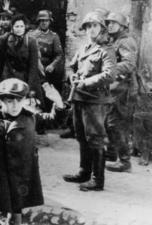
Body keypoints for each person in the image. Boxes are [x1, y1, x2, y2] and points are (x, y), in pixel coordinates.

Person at [0, 78, 62, 225]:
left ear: (24, 100)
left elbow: (55, 121)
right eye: (9, 101)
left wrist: (58, 103)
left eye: (19, 101)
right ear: (0, 102)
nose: (14, 105)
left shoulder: (30, 117)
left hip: (19, 178)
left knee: (15, 219)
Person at [63, 11, 115, 191]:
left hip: (95, 100)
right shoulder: (84, 48)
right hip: (79, 98)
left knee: (95, 138)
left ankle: (97, 179)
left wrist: (85, 82)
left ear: (101, 28)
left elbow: (110, 75)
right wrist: (72, 77)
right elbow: (71, 66)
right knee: (81, 136)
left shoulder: (106, 50)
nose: (91, 30)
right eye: (88, 27)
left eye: (95, 26)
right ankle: (84, 172)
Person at [104, 12, 138, 172]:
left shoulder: (126, 42)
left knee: (117, 124)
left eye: (113, 23)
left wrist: (109, 70)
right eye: (108, 22)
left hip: (125, 89)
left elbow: (128, 64)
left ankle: (125, 161)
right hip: (117, 88)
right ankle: (111, 153)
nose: (109, 25)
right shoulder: (115, 40)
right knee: (110, 122)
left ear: (122, 26)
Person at [0, 15, 44, 102]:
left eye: (21, 26)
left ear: (25, 27)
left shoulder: (31, 41)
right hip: (9, 76)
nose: (19, 29)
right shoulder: (7, 38)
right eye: (17, 26)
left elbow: (33, 66)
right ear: (12, 27)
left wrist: (29, 86)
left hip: (25, 77)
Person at [30, 10, 63, 93]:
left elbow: (59, 54)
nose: (44, 23)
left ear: (50, 22)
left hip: (46, 70)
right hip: (33, 68)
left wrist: (52, 65)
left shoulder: (54, 36)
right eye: (41, 20)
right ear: (38, 21)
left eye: (46, 20)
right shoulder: (31, 34)